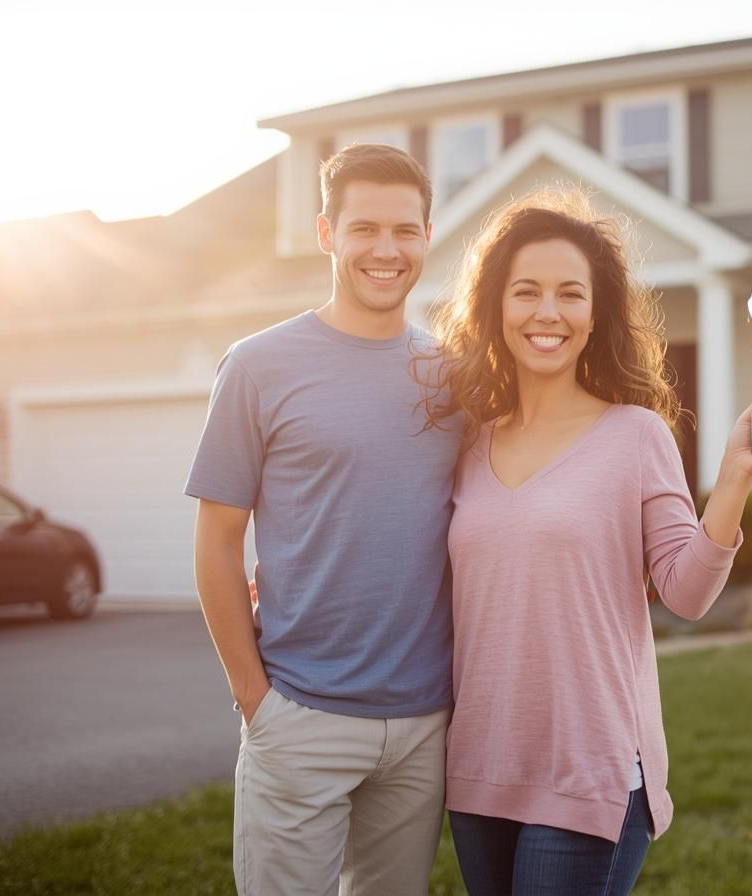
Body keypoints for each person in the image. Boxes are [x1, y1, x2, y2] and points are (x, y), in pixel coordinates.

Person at [422, 189, 752, 895]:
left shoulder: (635, 436)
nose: (548, 313)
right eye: (526, 291)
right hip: (480, 769)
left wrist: (734, 477)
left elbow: (686, 592)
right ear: (496, 306)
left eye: (570, 294)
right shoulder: (468, 442)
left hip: (588, 771)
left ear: (595, 315)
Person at [186, 143, 457, 895]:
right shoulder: (257, 366)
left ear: (427, 238)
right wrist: (255, 699)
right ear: (326, 232)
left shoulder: (452, 374)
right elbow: (215, 541)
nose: (386, 249)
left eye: (405, 231)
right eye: (365, 228)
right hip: (299, 713)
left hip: (424, 721)